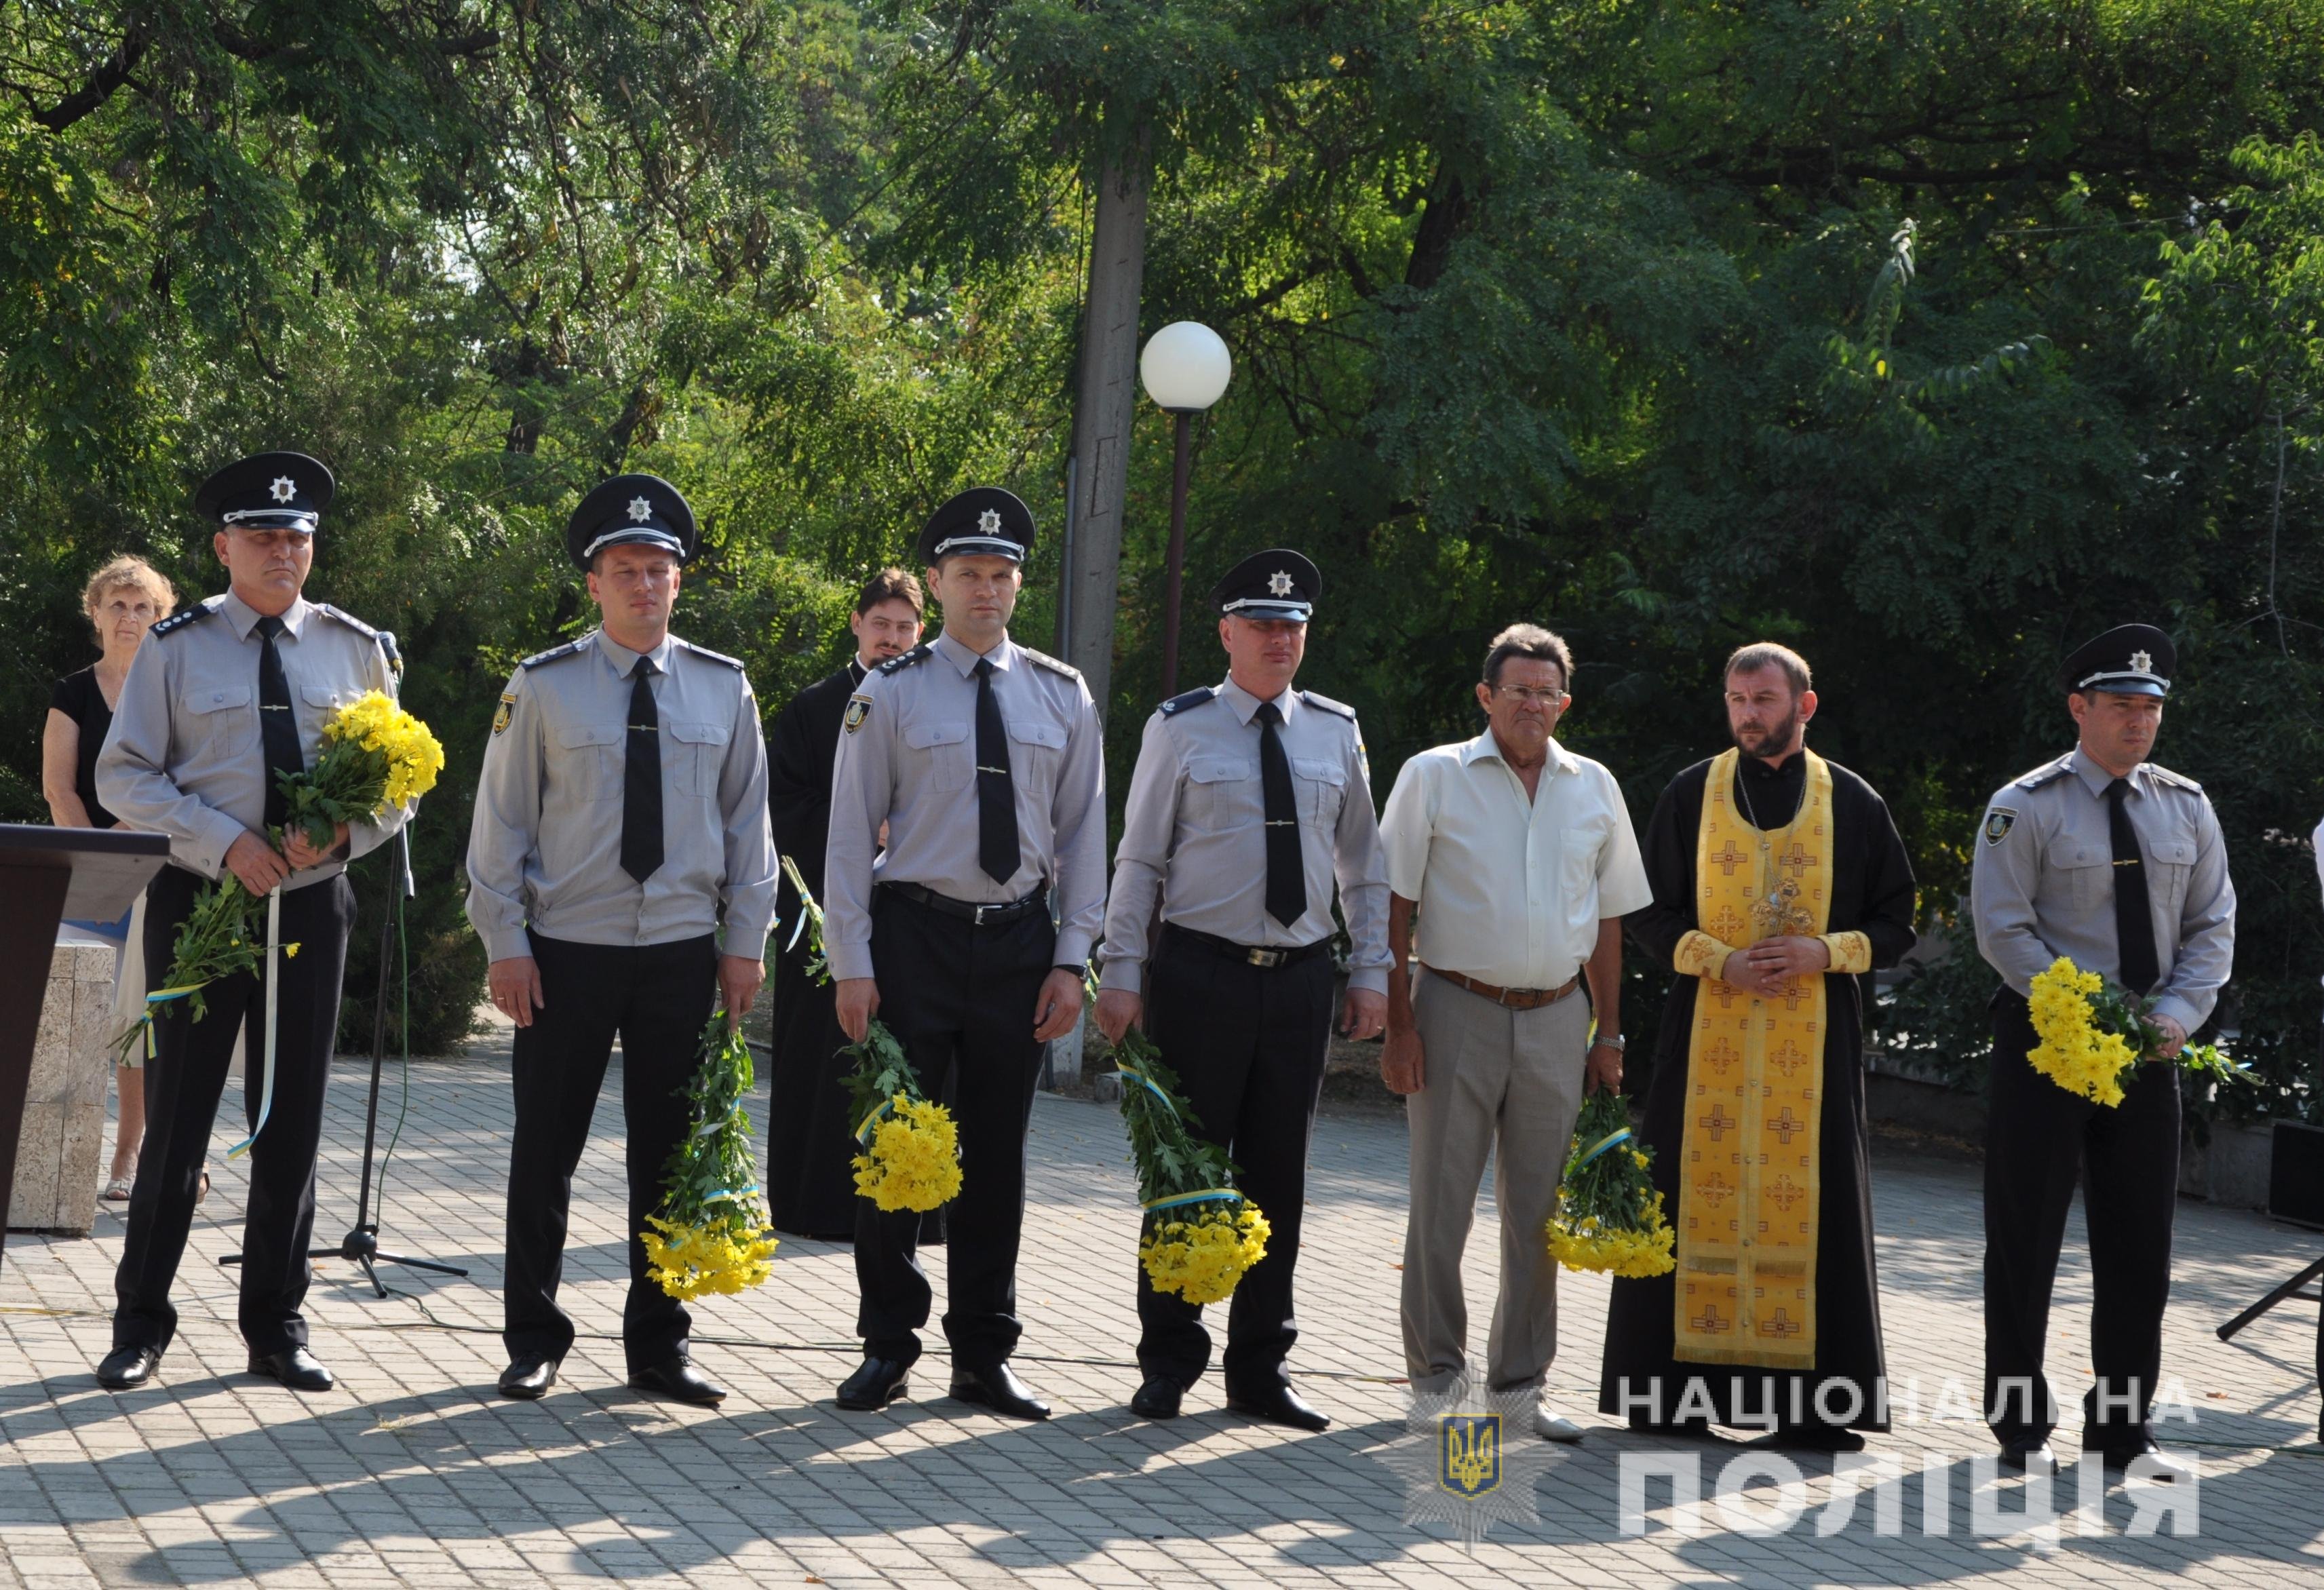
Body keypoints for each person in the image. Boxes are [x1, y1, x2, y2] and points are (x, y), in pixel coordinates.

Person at [92, 452, 408, 1394]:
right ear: (224, 546)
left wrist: (347, 831)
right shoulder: (177, 647)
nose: (283, 550)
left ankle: (276, 1324)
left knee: (294, 1123)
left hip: (313, 904)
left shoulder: (356, 648)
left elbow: (402, 781)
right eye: (264, 536)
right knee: (179, 1120)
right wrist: (222, 841)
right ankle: (141, 1320)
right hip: (206, 902)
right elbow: (125, 775)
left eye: (297, 535)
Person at [467, 473, 776, 1408]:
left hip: (681, 951)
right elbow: (501, 826)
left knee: (670, 1154)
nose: (644, 584)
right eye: (624, 570)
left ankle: (659, 1344)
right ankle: (533, 1336)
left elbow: (748, 827)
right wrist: (504, 943)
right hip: (566, 951)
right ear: (594, 584)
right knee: (545, 1149)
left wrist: (744, 943)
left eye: (659, 569)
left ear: (679, 583)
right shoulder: (543, 687)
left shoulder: (724, 689)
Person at [824, 487, 1104, 1420]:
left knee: (996, 1157)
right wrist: (852, 963)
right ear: (937, 583)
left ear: (1016, 585)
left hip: (1019, 941)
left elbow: (1083, 835)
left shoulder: (1060, 695)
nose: (986, 590)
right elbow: (848, 832)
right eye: (968, 574)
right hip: (914, 936)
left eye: (1002, 575)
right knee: (899, 1150)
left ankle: (984, 1353)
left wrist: (1073, 959)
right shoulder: (888, 692)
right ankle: (886, 1346)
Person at [1095, 549, 1391, 1432]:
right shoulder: (1180, 728)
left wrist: (1371, 970)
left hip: (1299, 981)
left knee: (1278, 1181)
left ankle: (1260, 1368)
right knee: (1185, 1173)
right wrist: (1118, 971)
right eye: (1261, 624)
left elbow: (1363, 868)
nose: (1278, 639)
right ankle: (1168, 1361)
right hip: (1199, 975)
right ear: (1227, 632)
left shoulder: (1335, 731)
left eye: (1291, 626)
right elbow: (1139, 857)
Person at [1598, 642, 1916, 1450]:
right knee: (1682, 1192)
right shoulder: (1688, 793)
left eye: (1765, 698)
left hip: (1815, 1042)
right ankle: (1671, 1397)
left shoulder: (1853, 799)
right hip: (1705, 1031)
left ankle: (1813, 1410)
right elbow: (1644, 911)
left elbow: (1897, 921)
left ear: (1804, 706)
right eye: (1738, 698)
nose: (1748, 712)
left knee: (1818, 1207)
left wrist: (1826, 950)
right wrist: (1721, 960)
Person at [1376, 624, 1651, 1442]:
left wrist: (1609, 1034)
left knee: (1539, 1213)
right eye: (1517, 689)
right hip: (1452, 1006)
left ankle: (1521, 1387)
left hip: (1558, 1018)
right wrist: (1397, 1024)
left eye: (1546, 691)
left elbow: (1608, 920)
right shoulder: (1434, 776)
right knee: (1441, 1207)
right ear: (1485, 697)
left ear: (1565, 703)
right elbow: (1389, 908)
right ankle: (1435, 1381)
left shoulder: (1593, 785)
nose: (1532, 703)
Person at [1973, 625, 2233, 1479]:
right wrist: (2079, 1013)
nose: (2140, 722)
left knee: (2137, 1247)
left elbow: (2211, 926)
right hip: (2047, 1047)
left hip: (2148, 1056)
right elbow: (2003, 928)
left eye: (2151, 708)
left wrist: (2176, 1017)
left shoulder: (2186, 805)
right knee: (2025, 1235)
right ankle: (2019, 1427)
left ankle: (2122, 1432)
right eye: (2122, 706)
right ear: (2079, 707)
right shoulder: (2028, 803)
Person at [765, 568, 925, 1240]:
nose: (892, 639)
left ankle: (911, 1203)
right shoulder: (813, 707)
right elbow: (782, 806)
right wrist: (860, 821)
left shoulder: (937, 699)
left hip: (915, 919)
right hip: (822, 913)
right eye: (881, 625)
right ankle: (815, 1204)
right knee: (819, 1058)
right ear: (857, 625)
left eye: (905, 628)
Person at [45, 555, 178, 1200]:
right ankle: (55, 1159)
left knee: (144, 1016)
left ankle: (133, 1152)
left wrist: (132, 843)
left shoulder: (176, 687)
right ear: (95, 613)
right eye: (118, 605)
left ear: (162, 617)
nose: (130, 617)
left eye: (144, 607)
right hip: (88, 873)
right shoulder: (72, 692)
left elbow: (183, 781)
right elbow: (58, 785)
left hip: (165, 868)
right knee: (81, 1015)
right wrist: (96, 855)